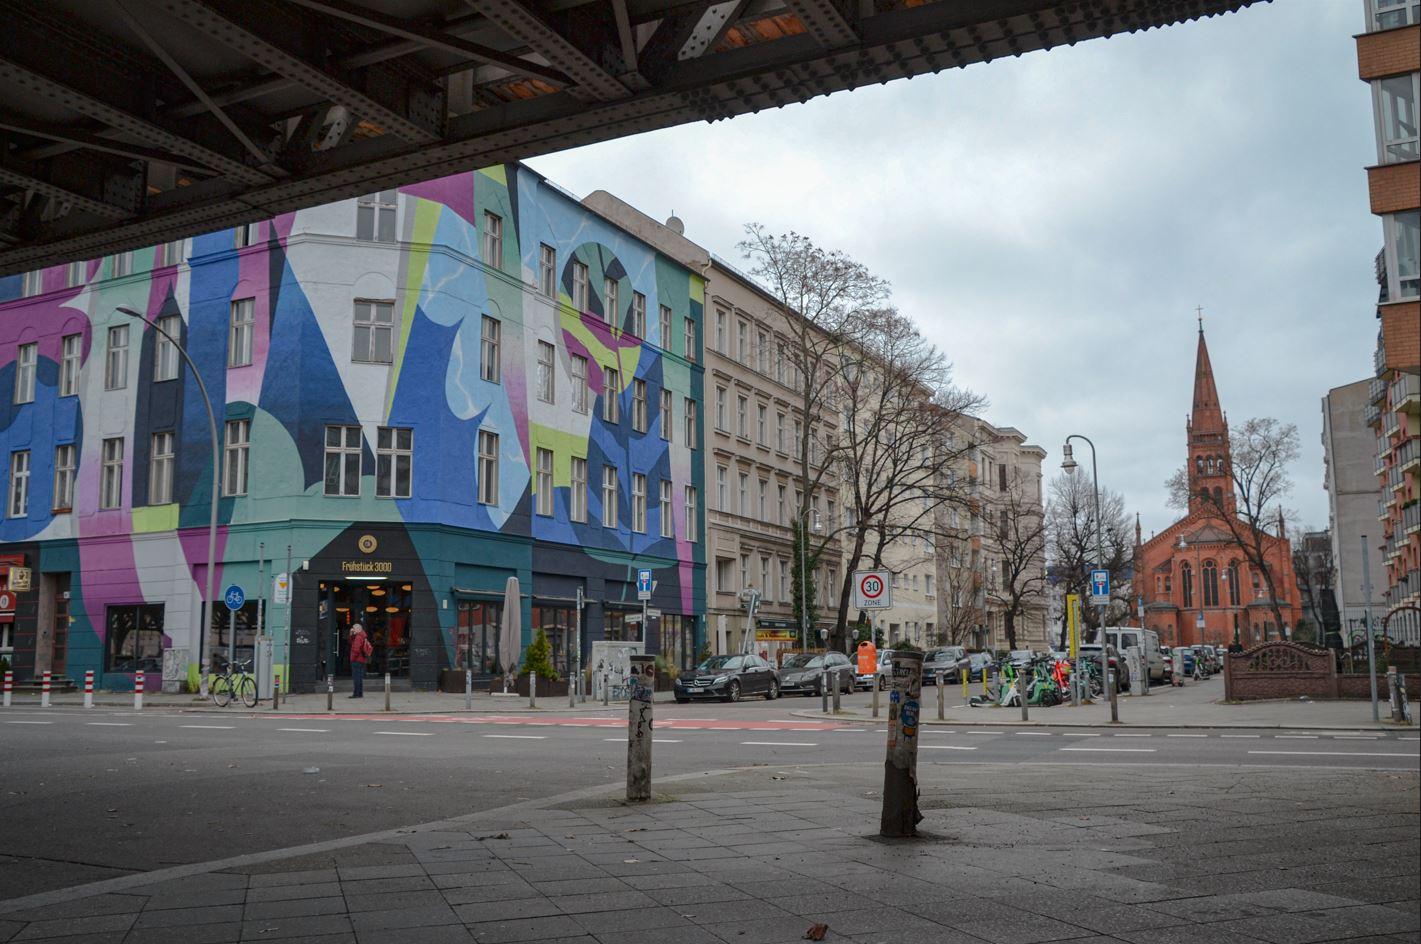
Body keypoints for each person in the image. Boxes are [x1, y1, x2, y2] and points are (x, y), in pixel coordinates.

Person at [349, 621, 372, 698]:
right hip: (361, 659)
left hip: (357, 660)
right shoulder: (362, 635)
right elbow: (352, 641)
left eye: (353, 628)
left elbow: (356, 649)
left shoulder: (358, 637)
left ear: (358, 629)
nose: (352, 629)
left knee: (356, 678)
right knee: (359, 677)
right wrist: (351, 634)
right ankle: (360, 693)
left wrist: (352, 659)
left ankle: (356, 693)